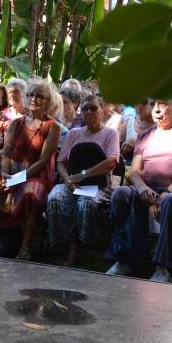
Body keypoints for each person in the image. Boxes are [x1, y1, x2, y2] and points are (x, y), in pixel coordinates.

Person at [105, 98, 172, 283]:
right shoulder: (144, 136)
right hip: (149, 189)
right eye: (153, 105)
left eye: (162, 104)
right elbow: (134, 172)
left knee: (170, 200)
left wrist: (165, 193)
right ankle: (125, 258)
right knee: (121, 194)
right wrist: (142, 188)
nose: (156, 110)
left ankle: (163, 267)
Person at [0, 78, 62, 260]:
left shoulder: (53, 127)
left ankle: (25, 247)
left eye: (40, 96)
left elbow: (44, 160)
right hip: (11, 172)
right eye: (30, 94)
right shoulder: (16, 123)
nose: (34, 99)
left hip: (37, 175)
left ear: (49, 101)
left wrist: (18, 178)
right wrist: (6, 173)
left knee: (31, 194)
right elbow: (6, 153)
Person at [45, 94, 120, 265]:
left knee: (85, 203)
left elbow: (111, 161)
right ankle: (65, 247)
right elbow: (60, 161)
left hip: (98, 184)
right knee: (55, 198)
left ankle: (84, 248)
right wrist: (68, 180)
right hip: (72, 182)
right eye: (85, 109)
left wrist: (84, 174)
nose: (88, 112)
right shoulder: (74, 133)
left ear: (102, 111)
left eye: (93, 108)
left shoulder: (110, 133)